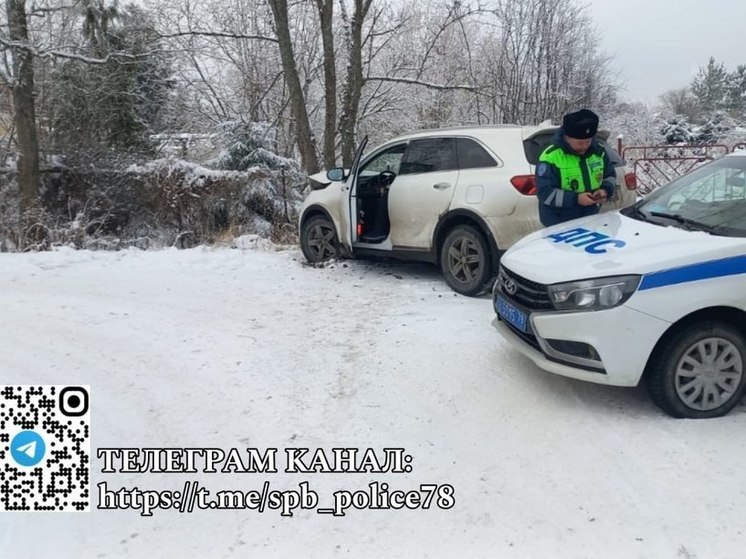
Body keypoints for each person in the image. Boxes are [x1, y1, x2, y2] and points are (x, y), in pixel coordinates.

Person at [535, 108, 616, 227]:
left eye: (588, 141)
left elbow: (610, 176)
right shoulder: (550, 157)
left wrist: (605, 190)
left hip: (590, 218)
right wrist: (575, 198)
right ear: (567, 138)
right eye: (580, 143)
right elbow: (545, 193)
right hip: (558, 223)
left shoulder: (599, 152)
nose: (584, 147)